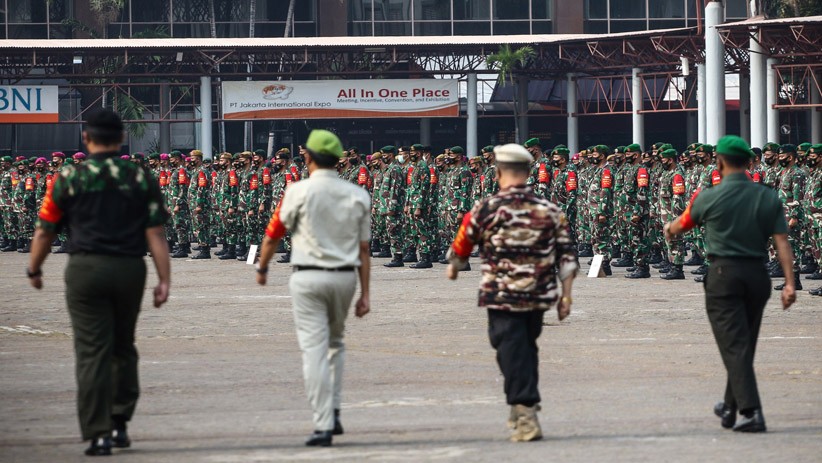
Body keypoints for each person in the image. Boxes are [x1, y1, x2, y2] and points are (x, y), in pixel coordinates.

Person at [27, 109, 171, 455]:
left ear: (86, 138)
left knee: (92, 351)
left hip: (86, 269)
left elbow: (46, 230)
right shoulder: (140, 177)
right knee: (123, 345)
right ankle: (120, 421)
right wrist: (164, 279)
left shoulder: (68, 177)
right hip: (128, 268)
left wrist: (34, 268)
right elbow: (155, 232)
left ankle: (99, 432)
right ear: (122, 139)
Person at [664, 135, 796, 434]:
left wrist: (668, 229)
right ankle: (729, 405)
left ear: (720, 162)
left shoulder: (708, 196)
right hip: (758, 276)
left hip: (724, 276)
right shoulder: (767, 196)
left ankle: (751, 411)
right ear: (748, 162)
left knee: (734, 344)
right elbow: (782, 242)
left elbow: (681, 224)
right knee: (743, 344)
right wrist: (789, 283)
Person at [446, 143, 578, 442]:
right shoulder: (549, 209)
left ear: (498, 171)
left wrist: (454, 265)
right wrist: (566, 296)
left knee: (509, 349)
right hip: (538, 296)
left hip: (502, 295)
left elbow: (463, 241)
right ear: (530, 172)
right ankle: (523, 402)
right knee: (524, 348)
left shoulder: (486, 208)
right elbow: (568, 257)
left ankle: (524, 407)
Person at [256, 129, 371, 447]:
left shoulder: (296, 192)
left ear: (306, 157)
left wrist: (263, 267)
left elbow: (273, 233)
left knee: (313, 351)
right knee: (336, 343)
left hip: (307, 277)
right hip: (345, 278)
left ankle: (323, 423)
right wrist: (366, 294)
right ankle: (333, 410)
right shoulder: (358, 195)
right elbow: (364, 250)